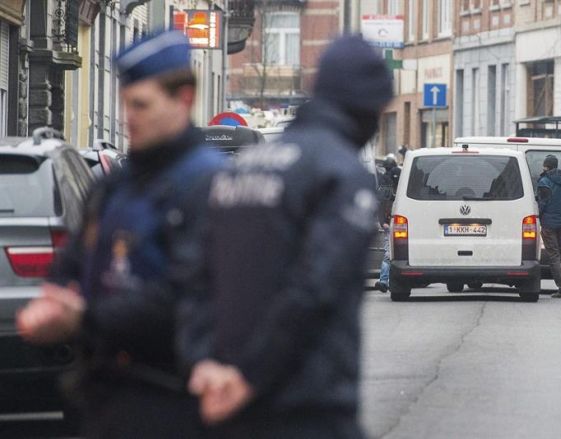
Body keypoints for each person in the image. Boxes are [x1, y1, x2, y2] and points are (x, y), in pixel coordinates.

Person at [16, 31, 224, 438]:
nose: (129, 117)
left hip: (172, 401)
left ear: (184, 99)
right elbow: (74, 262)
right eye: (126, 103)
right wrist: (52, 302)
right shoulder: (115, 186)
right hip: (104, 395)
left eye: (142, 105)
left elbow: (191, 298)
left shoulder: (208, 184)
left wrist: (85, 317)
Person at [187, 35, 393, 438]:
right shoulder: (338, 172)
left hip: (224, 394)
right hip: (306, 401)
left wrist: (204, 362)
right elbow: (314, 288)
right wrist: (252, 376)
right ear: (365, 107)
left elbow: (195, 277)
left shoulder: (244, 167)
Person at [537, 154, 561, 298]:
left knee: (553, 256)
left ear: (546, 166)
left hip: (549, 224)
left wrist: (538, 216)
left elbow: (542, 203)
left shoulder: (544, 181)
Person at [374, 154, 400, 293]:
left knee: (389, 253)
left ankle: (385, 280)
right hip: (395, 222)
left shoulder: (385, 182)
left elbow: (380, 203)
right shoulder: (400, 181)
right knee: (390, 254)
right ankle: (385, 280)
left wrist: (382, 221)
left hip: (391, 222)